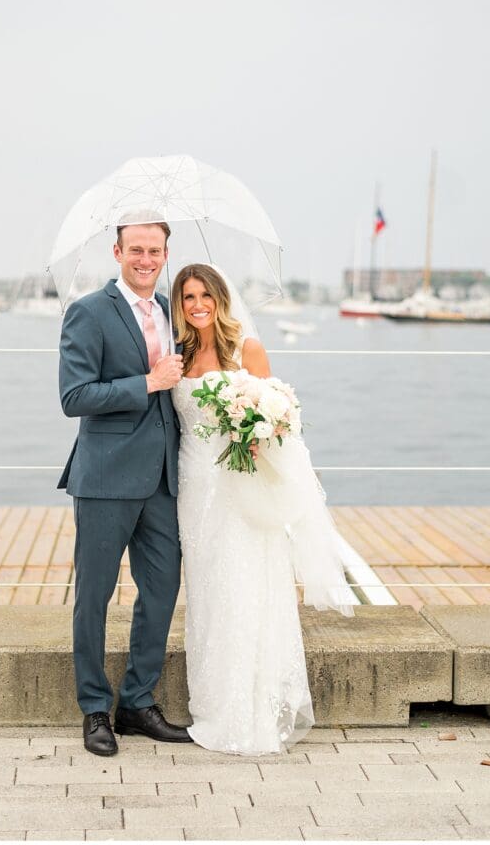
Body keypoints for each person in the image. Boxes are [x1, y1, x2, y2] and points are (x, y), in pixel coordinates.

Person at [170, 263, 354, 755]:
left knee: (246, 585)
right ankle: (212, 704)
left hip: (238, 484)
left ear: (220, 298)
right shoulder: (177, 355)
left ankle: (249, 711)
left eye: (204, 295)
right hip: (192, 487)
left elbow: (278, 422)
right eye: (187, 297)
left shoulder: (245, 349)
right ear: (179, 304)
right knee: (208, 591)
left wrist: (255, 435)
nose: (197, 305)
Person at [57, 215, 193, 756]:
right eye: (135, 249)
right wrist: (146, 382)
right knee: (92, 597)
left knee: (161, 592)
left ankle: (136, 703)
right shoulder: (88, 312)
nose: (146, 259)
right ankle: (94, 709)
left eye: (155, 251)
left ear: (165, 255)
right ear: (117, 251)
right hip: (106, 477)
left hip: (163, 478)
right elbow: (74, 397)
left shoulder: (170, 311)